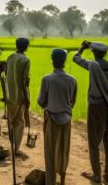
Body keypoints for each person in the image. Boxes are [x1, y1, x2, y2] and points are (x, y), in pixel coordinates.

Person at [73, 41, 108, 185]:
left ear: (94, 52)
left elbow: (76, 58)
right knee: (106, 139)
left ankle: (97, 176)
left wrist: (82, 47)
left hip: (95, 107)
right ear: (105, 53)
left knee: (93, 143)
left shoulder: (92, 66)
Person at [38, 49, 77, 185]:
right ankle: (63, 179)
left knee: (50, 153)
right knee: (64, 149)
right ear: (65, 61)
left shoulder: (47, 79)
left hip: (52, 118)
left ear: (52, 61)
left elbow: (41, 101)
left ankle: (51, 182)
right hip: (67, 118)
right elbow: (72, 102)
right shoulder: (73, 80)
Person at [5, 37, 30, 155]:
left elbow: (6, 73)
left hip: (8, 93)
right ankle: (16, 148)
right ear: (26, 47)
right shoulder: (25, 60)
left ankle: (12, 143)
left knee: (11, 120)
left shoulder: (10, 57)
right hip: (19, 95)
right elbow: (25, 81)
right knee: (20, 122)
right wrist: (27, 98)